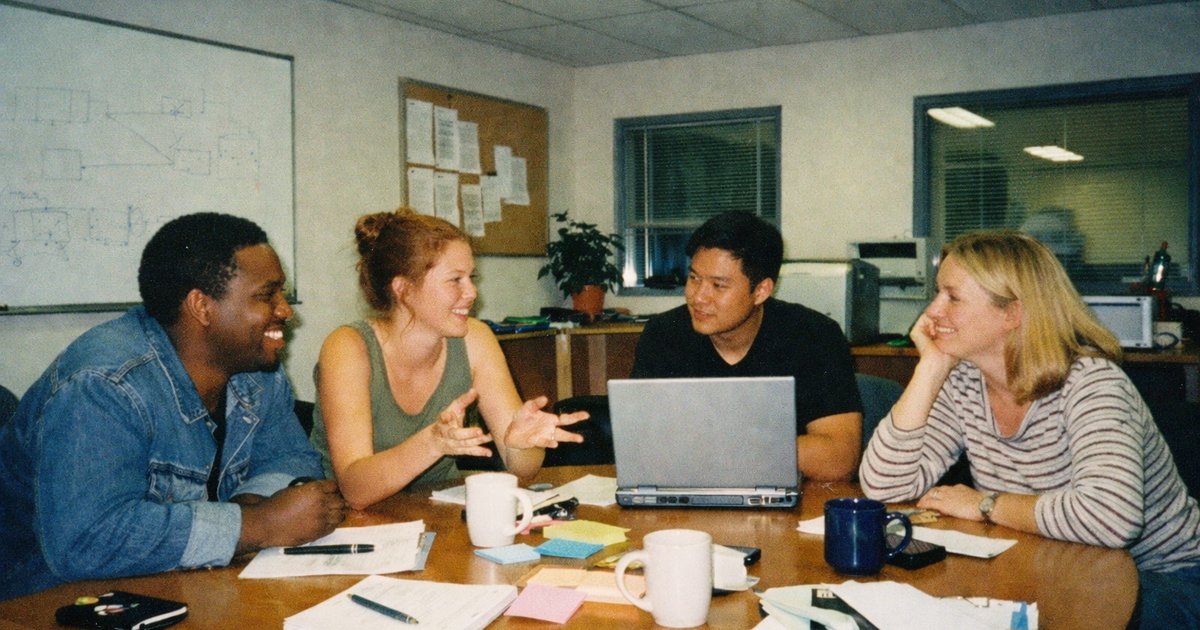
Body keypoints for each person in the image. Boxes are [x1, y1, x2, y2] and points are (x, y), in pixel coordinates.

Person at [859, 230, 1200, 627]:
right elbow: (884, 486)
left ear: (1012, 313)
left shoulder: (1091, 383)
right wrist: (930, 370)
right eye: (937, 294)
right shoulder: (964, 380)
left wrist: (986, 505)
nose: (931, 312)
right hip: (1056, 564)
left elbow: (1111, 518)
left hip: (1162, 578)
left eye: (952, 297)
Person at [0, 213, 347, 601]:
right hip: (39, 598)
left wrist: (252, 507)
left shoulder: (255, 369)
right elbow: (86, 540)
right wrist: (256, 525)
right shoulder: (104, 384)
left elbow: (292, 458)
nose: (286, 310)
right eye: (268, 295)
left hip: (180, 584)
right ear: (202, 306)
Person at [310, 209, 587, 509]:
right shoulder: (348, 347)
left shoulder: (476, 338)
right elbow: (354, 490)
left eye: (471, 278)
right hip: (350, 519)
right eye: (455, 279)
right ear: (403, 289)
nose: (472, 292)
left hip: (435, 507)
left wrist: (521, 445)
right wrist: (431, 443)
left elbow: (522, 469)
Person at [631, 211, 863, 481]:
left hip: (783, 495)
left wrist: (728, 446)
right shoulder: (663, 334)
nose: (698, 297)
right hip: (688, 489)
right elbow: (640, 446)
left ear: (761, 291)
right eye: (694, 278)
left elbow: (839, 459)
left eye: (718, 285)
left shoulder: (815, 336)